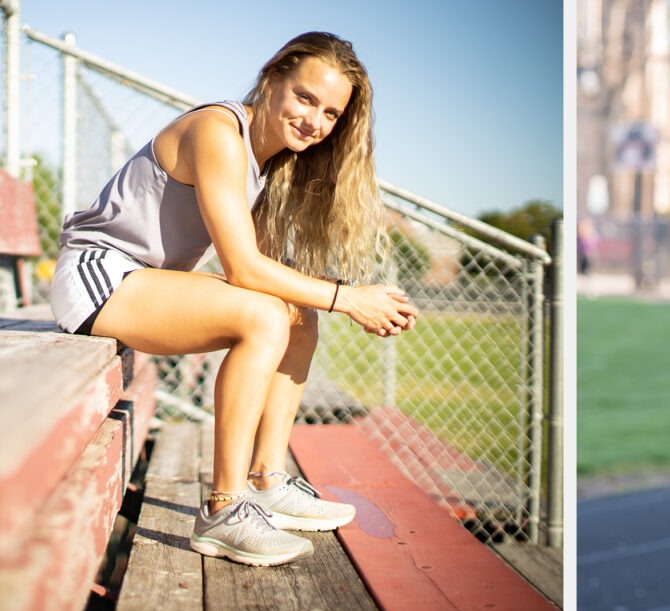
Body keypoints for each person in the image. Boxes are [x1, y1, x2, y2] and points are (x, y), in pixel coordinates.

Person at [50, 32, 419, 567]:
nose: (315, 121)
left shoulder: (266, 165)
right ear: (272, 80)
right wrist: (351, 298)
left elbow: (268, 273)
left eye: (332, 113)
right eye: (305, 98)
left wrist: (332, 300)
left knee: (297, 314)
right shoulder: (218, 131)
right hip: (97, 276)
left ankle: (267, 478)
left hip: (142, 284)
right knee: (266, 314)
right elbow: (242, 270)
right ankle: (224, 508)